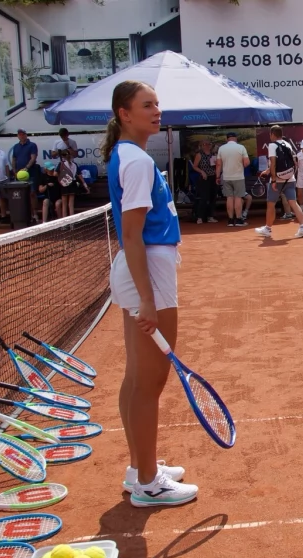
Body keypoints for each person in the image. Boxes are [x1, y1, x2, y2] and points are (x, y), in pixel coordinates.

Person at [101, 79, 196, 507]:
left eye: (158, 103)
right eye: (146, 105)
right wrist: (147, 298)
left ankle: (142, 465)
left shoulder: (129, 155)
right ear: (124, 113)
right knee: (150, 382)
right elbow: (133, 237)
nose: (156, 110)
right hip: (148, 271)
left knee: (138, 379)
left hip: (146, 270)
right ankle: (147, 482)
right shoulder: (136, 161)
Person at [255, 125, 303, 240]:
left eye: (270, 134)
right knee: (293, 203)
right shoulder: (288, 144)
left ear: (273, 134)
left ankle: (267, 229)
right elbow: (293, 161)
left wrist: (274, 180)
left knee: (271, 204)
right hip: (290, 178)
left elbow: (274, 163)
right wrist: (269, 170)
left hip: (277, 180)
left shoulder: (272, 145)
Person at [216, 131, 250, 227]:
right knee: (238, 198)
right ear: (235, 138)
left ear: (227, 139)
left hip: (226, 177)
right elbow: (247, 162)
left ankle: (230, 220)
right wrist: (240, 166)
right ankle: (239, 219)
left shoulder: (221, 149)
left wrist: (218, 176)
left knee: (229, 198)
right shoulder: (241, 147)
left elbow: (218, 164)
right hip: (238, 176)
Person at [10, 129, 40, 217]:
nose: (21, 136)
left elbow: (33, 158)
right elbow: (14, 159)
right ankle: (25, 214)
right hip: (19, 175)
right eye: (19, 135)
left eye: (23, 134)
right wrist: (14, 171)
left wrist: (26, 168)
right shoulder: (16, 146)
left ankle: (35, 214)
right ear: (18, 136)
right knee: (22, 195)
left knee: (32, 193)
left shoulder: (32, 145)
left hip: (31, 173)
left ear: (26, 135)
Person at [190, 140, 218, 224]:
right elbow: (194, 166)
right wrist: (202, 172)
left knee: (213, 197)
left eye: (209, 144)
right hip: (204, 178)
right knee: (204, 198)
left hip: (213, 177)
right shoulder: (199, 154)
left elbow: (217, 166)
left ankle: (210, 216)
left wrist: (217, 164)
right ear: (202, 146)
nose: (207, 146)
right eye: (205, 144)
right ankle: (200, 217)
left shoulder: (214, 154)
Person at [56, 149, 87, 218]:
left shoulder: (61, 164)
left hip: (64, 183)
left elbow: (55, 174)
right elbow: (79, 175)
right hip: (73, 183)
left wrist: (61, 174)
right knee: (71, 204)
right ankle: (72, 223)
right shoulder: (75, 164)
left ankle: (65, 223)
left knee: (64, 204)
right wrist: (85, 185)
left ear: (63, 156)